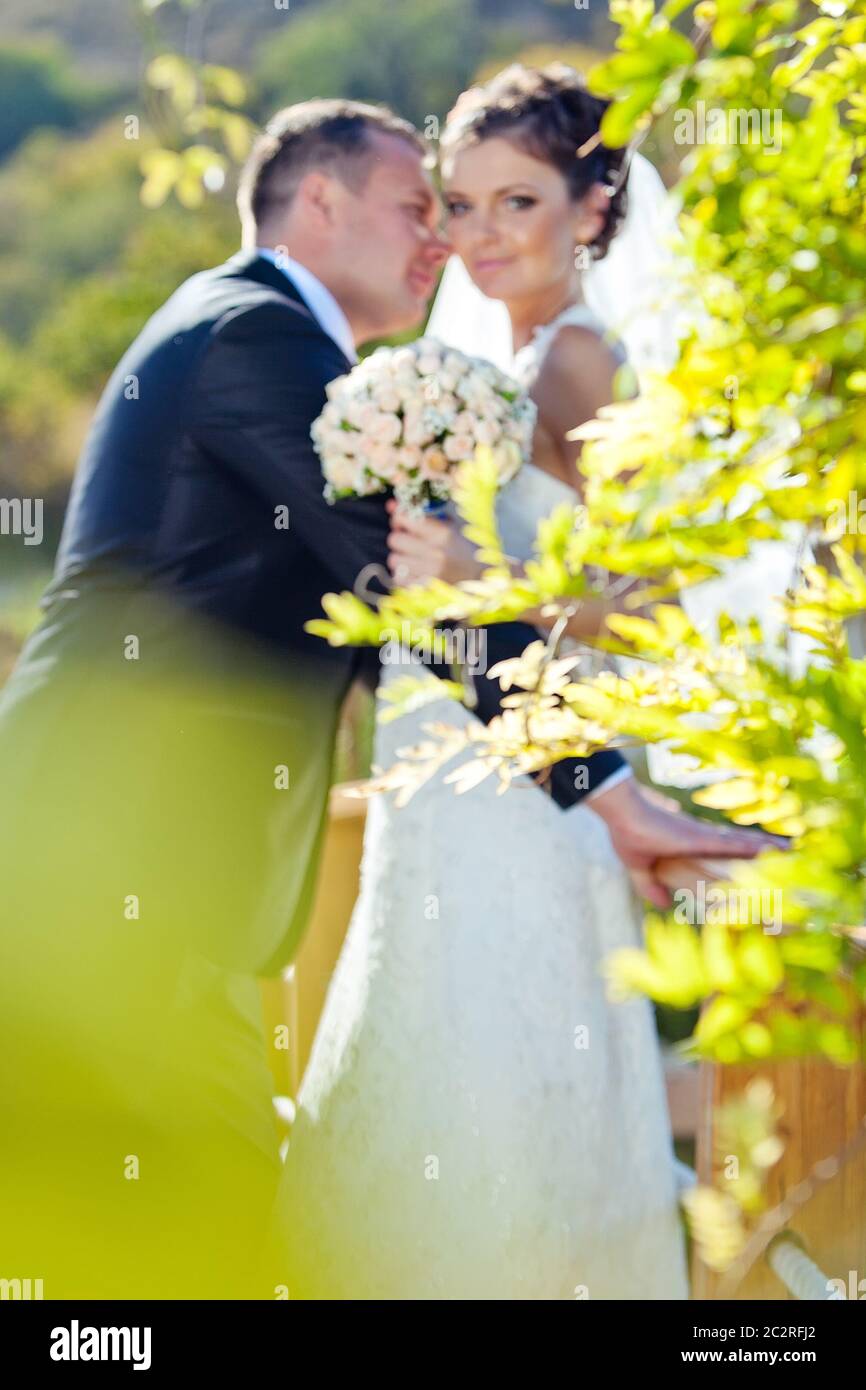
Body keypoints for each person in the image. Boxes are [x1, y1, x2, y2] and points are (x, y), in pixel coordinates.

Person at [0, 95, 736, 1300]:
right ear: (322, 199)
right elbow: (405, 586)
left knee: (196, 1205)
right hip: (109, 859)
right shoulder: (256, 338)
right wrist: (607, 794)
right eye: (422, 204)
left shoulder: (282, 342)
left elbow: (409, 600)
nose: (442, 240)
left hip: (154, 869)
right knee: (177, 1220)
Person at [274, 68, 780, 1300]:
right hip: (442, 776)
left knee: (499, 1062)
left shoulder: (579, 368)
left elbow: (654, 615)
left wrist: (480, 582)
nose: (480, 233)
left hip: (527, 797)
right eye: (459, 203)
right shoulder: (468, 364)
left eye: (519, 201)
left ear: (595, 206)